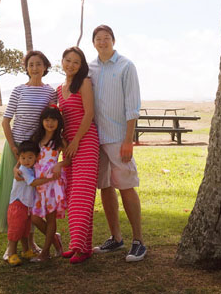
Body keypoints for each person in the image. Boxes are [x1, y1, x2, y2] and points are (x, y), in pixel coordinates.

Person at [0, 49, 56, 260]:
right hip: (16, 148)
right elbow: (6, 121)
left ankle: (31, 242)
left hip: (37, 151)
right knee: (14, 195)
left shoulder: (50, 92)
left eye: (38, 64)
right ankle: (11, 246)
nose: (34, 68)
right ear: (26, 68)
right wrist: (13, 147)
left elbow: (53, 120)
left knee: (32, 197)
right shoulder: (18, 90)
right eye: (31, 64)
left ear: (45, 68)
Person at [89, 24, 146, 262]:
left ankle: (139, 241)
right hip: (95, 139)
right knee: (105, 187)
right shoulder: (89, 68)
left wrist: (128, 140)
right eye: (98, 39)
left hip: (118, 137)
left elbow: (132, 106)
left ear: (113, 40)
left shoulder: (126, 66)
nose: (102, 42)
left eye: (106, 38)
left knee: (126, 186)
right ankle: (116, 238)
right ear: (94, 43)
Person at [56, 45, 100, 264]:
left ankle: (76, 246)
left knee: (81, 196)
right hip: (69, 145)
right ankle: (84, 247)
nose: (71, 65)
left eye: (76, 62)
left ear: (81, 66)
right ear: (62, 61)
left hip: (86, 142)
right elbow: (60, 120)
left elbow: (89, 113)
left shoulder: (84, 83)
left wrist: (75, 141)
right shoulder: (59, 88)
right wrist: (65, 143)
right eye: (68, 60)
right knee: (73, 193)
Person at [29, 105, 68, 261]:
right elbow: (27, 155)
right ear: (42, 121)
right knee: (35, 218)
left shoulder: (59, 140)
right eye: (47, 120)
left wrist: (60, 164)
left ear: (59, 122)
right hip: (39, 182)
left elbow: (70, 157)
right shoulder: (36, 138)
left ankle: (45, 253)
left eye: (53, 120)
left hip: (52, 184)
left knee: (51, 218)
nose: (50, 123)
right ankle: (55, 240)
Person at [6, 139, 53, 266]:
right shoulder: (23, 170)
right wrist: (48, 179)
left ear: (36, 157)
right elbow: (32, 182)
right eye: (23, 158)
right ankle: (11, 253)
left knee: (25, 229)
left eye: (30, 157)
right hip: (18, 204)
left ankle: (26, 250)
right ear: (19, 158)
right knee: (16, 229)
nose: (26, 160)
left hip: (27, 205)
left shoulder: (32, 169)